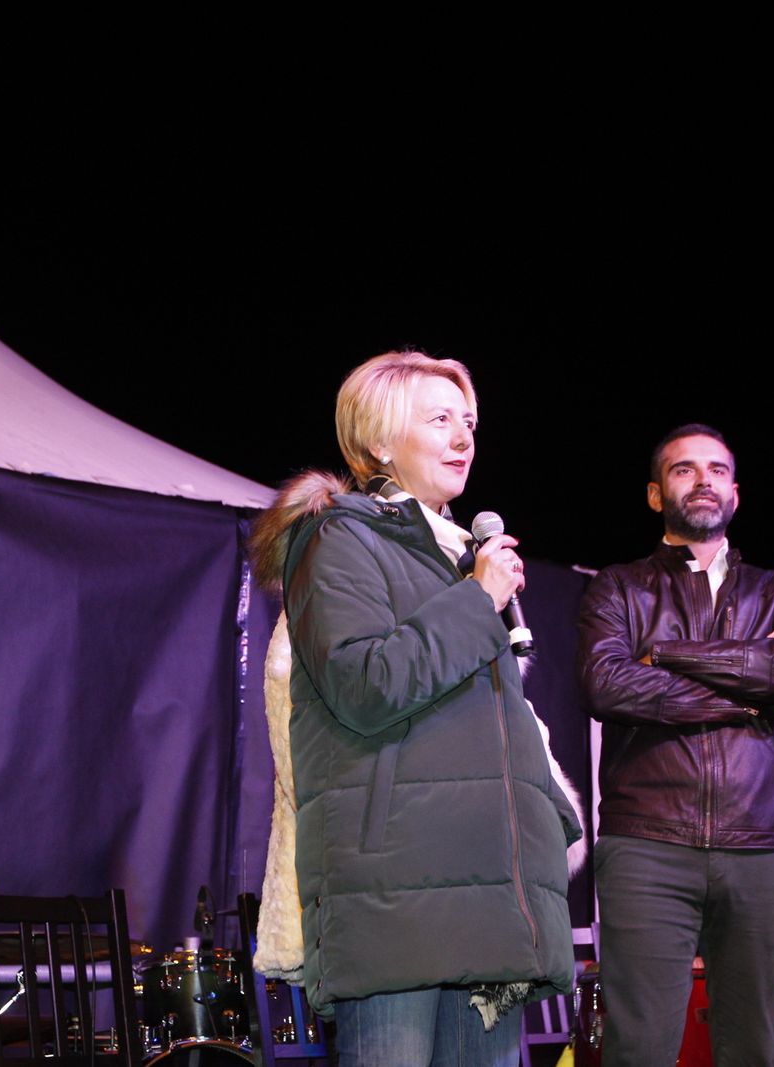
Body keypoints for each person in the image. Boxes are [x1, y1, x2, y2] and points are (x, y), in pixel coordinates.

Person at [249, 350, 579, 1067]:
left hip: (486, 896)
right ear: (378, 441)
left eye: (470, 422)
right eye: (440, 420)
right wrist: (478, 600)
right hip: (395, 892)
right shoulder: (339, 537)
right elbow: (366, 684)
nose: (464, 437)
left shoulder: (460, 556)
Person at [576, 423, 774, 1067]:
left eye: (717, 469)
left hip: (761, 847)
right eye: (684, 469)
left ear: (735, 492)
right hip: (647, 846)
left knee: (753, 1049)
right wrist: (748, 685)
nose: (703, 480)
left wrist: (668, 656)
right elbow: (605, 685)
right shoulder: (617, 586)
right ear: (657, 494)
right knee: (641, 1050)